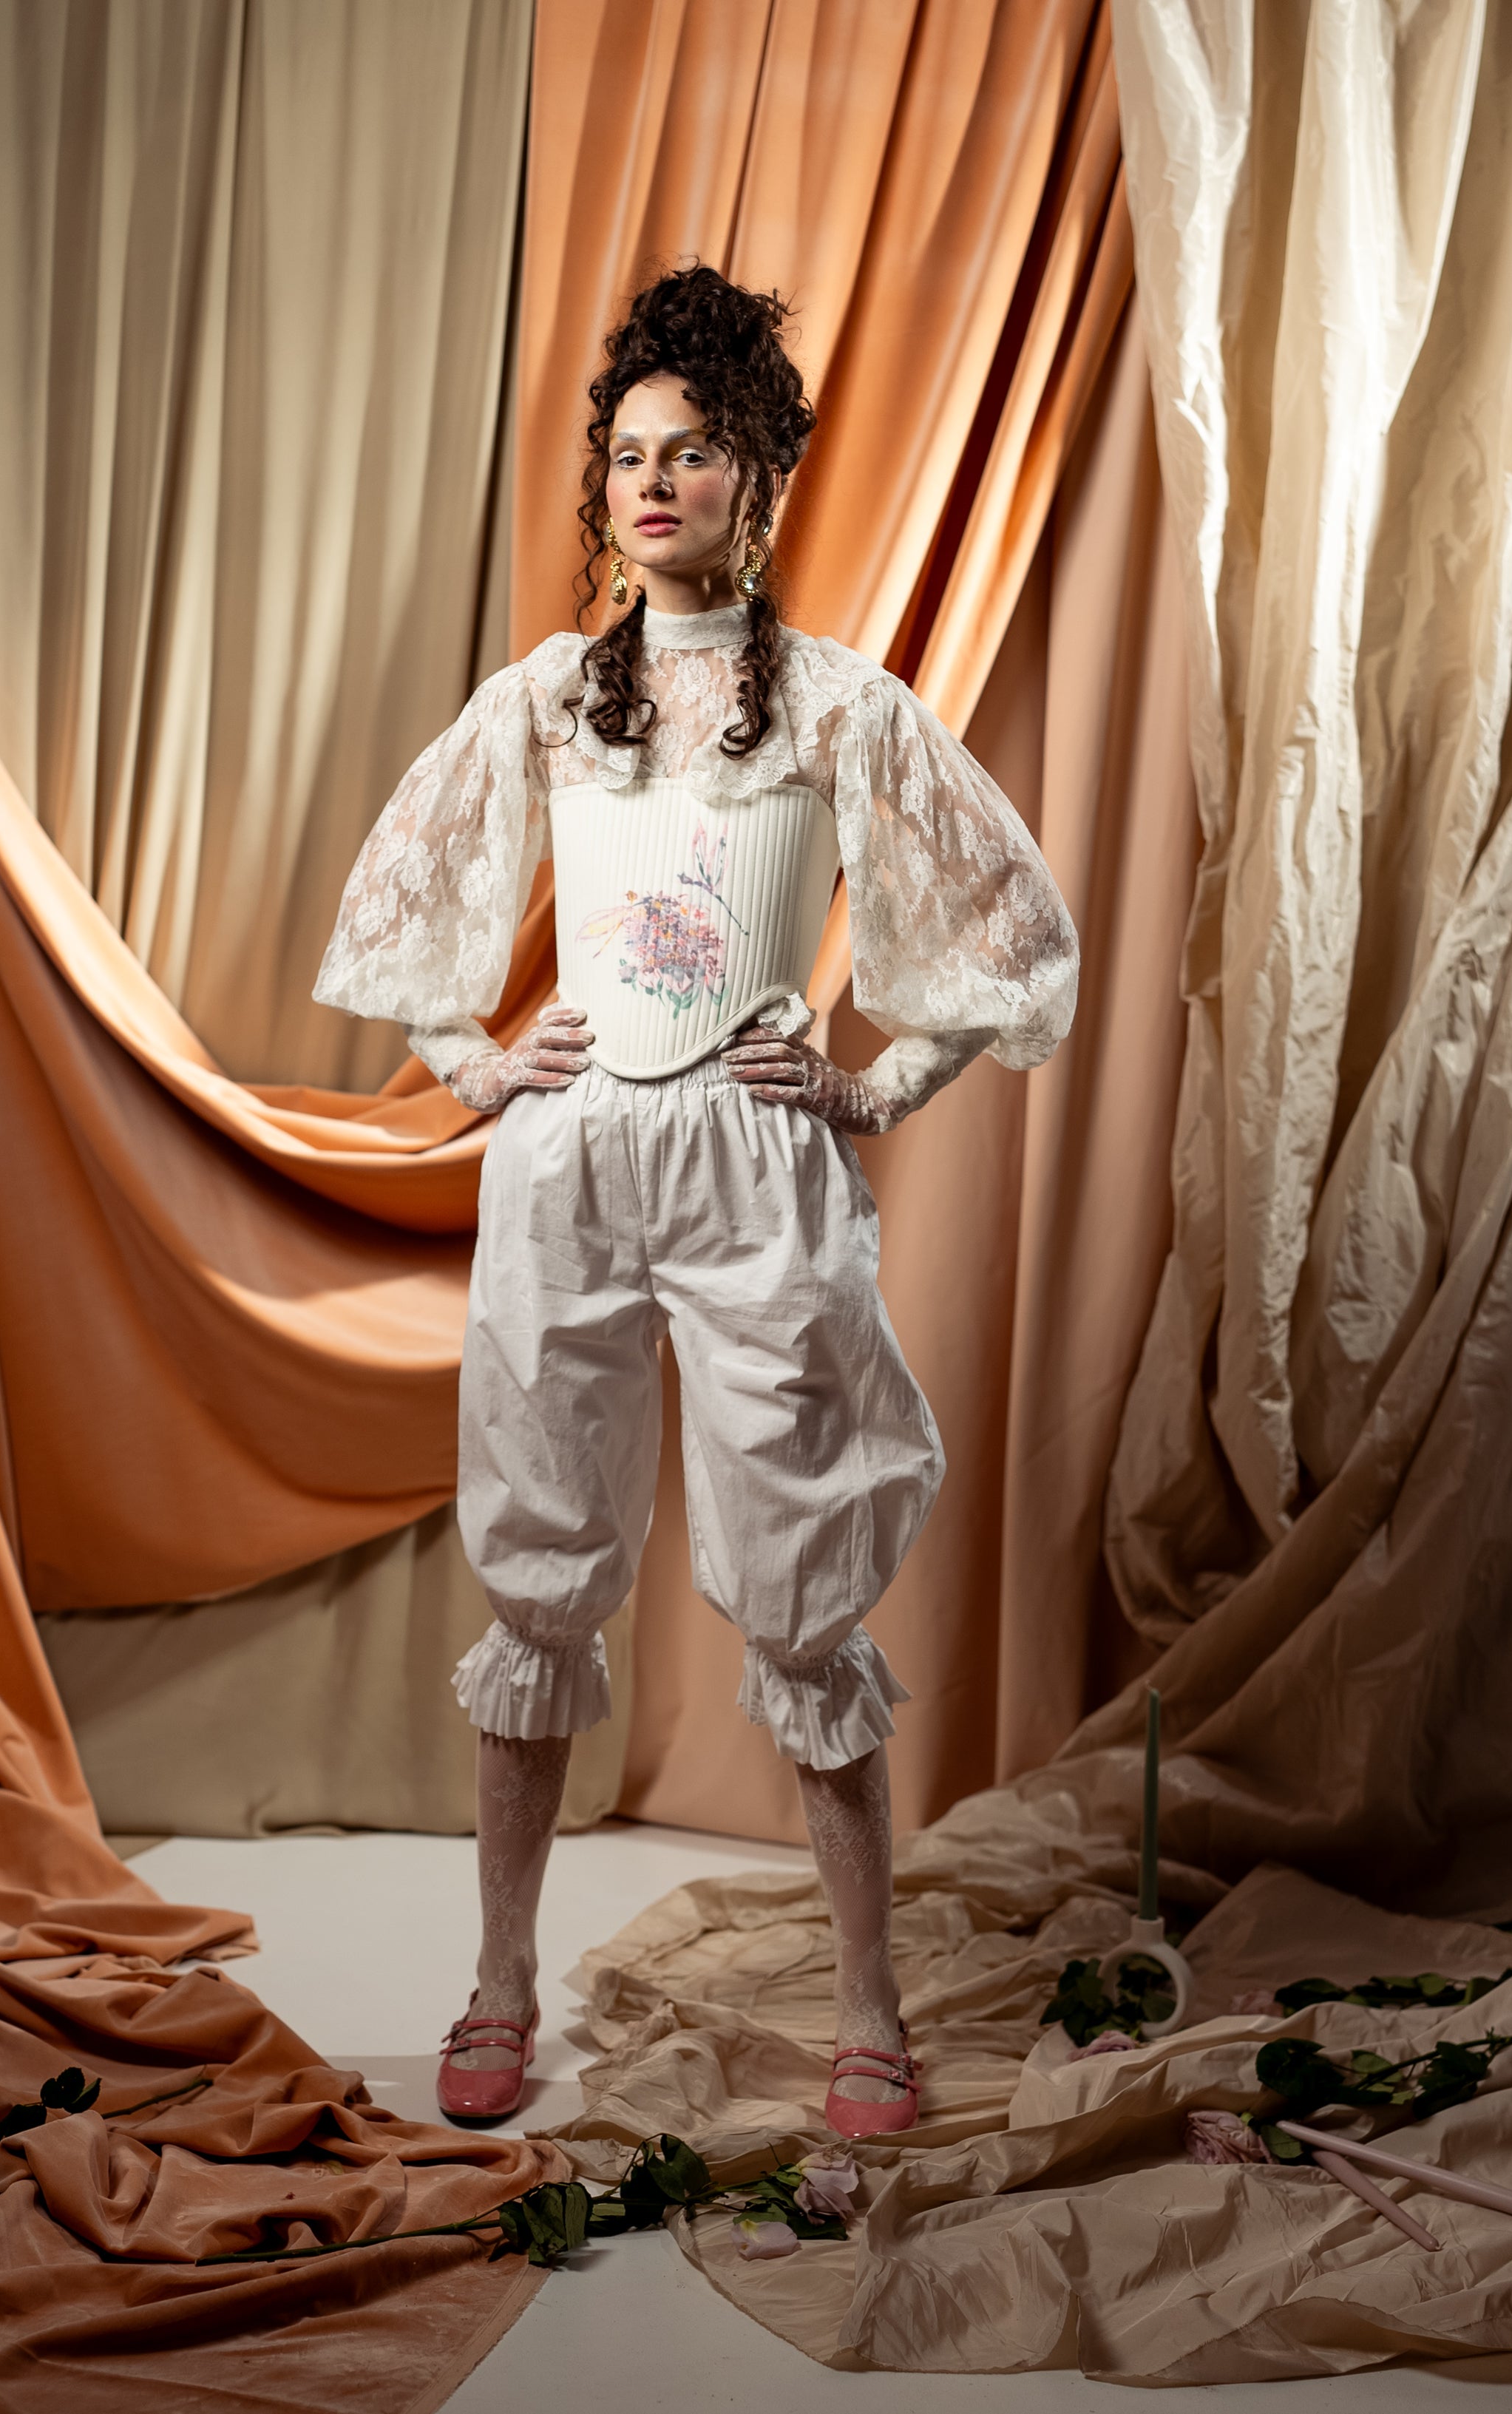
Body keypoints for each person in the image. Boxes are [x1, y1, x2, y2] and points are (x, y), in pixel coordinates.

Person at [314, 265, 1077, 2138]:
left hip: (755, 1163)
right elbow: (412, 885)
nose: (653, 484)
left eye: (693, 452)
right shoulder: (546, 700)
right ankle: (498, 1983)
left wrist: (875, 1083)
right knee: (537, 1563)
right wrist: (473, 1058)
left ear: (759, 477)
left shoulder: (834, 705)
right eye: (630, 456)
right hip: (570, 1159)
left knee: (803, 1584)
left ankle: (869, 2012)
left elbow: (1003, 921)